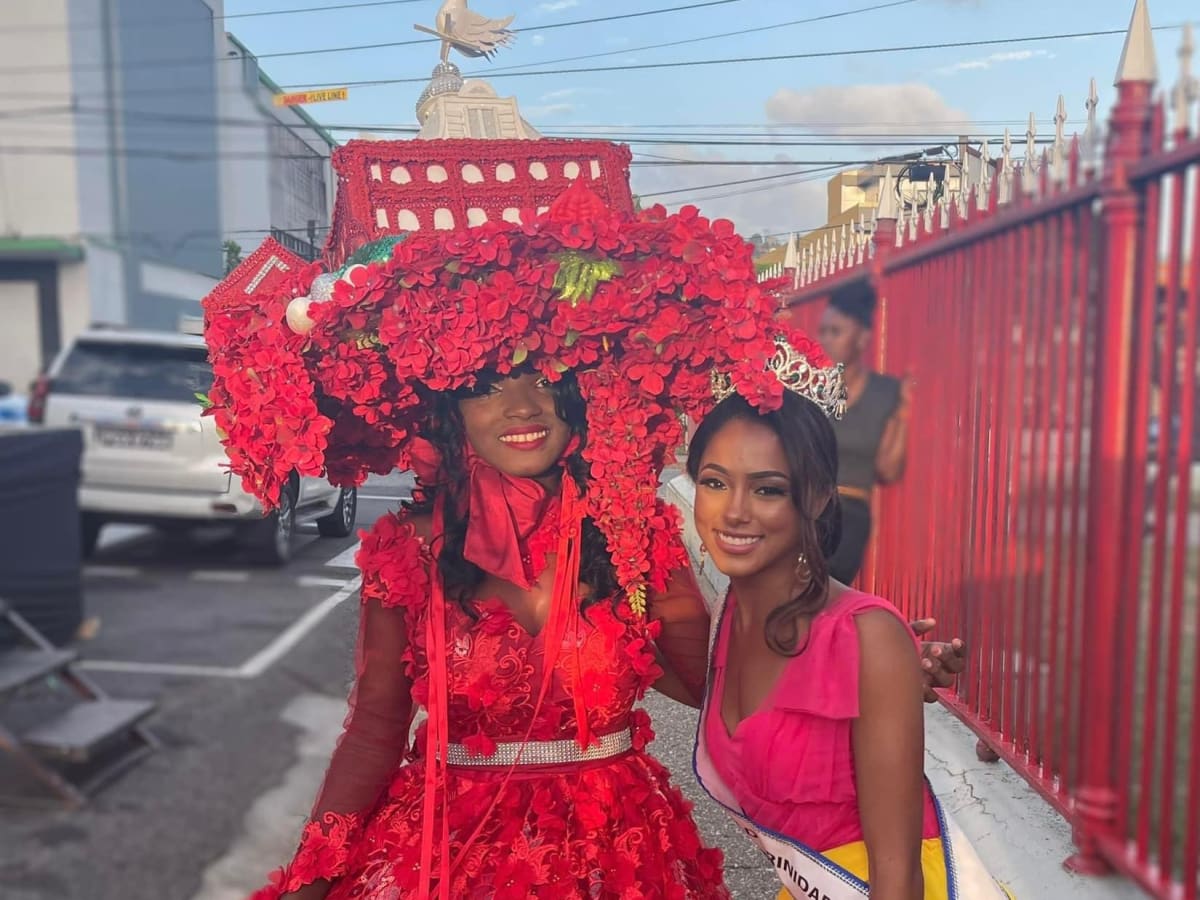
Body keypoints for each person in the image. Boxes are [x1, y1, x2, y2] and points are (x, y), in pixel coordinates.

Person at [205, 177, 967, 899]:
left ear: (582, 393)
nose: (521, 406)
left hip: (613, 854)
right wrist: (310, 873)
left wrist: (856, 668)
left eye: (546, 377)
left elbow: (713, 682)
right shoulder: (405, 552)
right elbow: (375, 726)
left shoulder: (630, 527)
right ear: (449, 407)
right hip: (443, 849)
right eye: (485, 384)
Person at [687, 338, 1010, 900]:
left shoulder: (868, 637)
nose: (733, 511)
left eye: (767, 489)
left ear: (814, 497)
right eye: (715, 482)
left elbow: (897, 877)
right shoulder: (727, 617)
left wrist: (886, 668)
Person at [817, 281, 911, 584]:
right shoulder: (810, 384)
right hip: (804, 508)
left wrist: (902, 416)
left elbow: (888, 470)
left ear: (862, 338)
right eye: (824, 331)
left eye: (836, 332)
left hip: (851, 516)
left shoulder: (885, 393)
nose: (826, 340)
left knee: (829, 596)